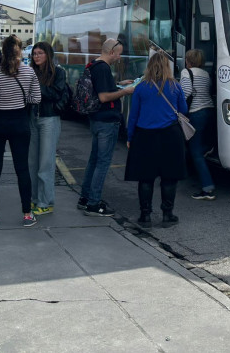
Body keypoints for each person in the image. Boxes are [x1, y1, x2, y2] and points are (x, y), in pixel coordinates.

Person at [0, 35, 41, 228]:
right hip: (20, 123)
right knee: (22, 169)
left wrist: (1, 99)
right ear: (20, 51)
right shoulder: (29, 72)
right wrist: (21, 101)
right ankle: (27, 214)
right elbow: (36, 98)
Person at [124, 51, 188, 228]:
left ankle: (145, 216)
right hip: (170, 135)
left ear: (149, 66)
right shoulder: (175, 86)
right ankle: (167, 215)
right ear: (167, 67)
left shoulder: (141, 87)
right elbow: (183, 109)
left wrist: (130, 137)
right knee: (169, 177)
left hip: (144, 136)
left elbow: (134, 116)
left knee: (146, 178)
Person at [77, 38, 135, 217]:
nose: (120, 57)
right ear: (112, 52)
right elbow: (103, 97)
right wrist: (125, 92)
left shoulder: (94, 65)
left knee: (94, 161)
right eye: (119, 53)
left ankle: (85, 199)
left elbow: (101, 90)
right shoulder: (103, 68)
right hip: (106, 122)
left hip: (96, 120)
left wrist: (119, 85)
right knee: (102, 163)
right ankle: (94, 203)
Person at [28, 41, 68, 216]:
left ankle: (46, 201)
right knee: (32, 163)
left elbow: (56, 94)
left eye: (40, 53)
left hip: (49, 119)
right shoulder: (30, 71)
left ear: (48, 55)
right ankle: (34, 198)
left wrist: (36, 87)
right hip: (32, 119)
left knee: (46, 163)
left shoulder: (58, 73)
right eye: (34, 53)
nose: (36, 56)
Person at [180, 49, 216, 201]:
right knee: (196, 144)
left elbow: (186, 91)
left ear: (188, 60)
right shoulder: (205, 74)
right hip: (208, 110)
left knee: (195, 152)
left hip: (195, 112)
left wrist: (179, 107)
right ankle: (207, 148)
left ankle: (208, 189)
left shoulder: (185, 73)